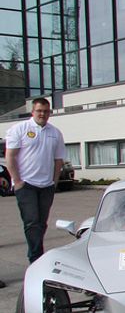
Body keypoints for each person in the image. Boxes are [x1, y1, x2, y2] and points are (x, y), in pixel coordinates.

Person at [5, 97, 66, 268]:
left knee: (41, 223)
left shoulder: (55, 133)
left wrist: (54, 183)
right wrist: (17, 181)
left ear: (50, 113)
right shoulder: (20, 129)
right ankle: (36, 258)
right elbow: (10, 156)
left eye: (46, 111)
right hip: (27, 185)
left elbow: (58, 160)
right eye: (39, 111)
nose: (43, 114)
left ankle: (36, 253)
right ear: (33, 111)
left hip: (46, 186)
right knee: (31, 222)